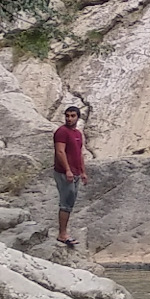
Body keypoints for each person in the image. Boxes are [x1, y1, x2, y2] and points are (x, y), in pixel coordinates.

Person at [53, 105, 88, 247]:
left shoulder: (78, 134)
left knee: (70, 202)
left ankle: (64, 232)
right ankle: (62, 234)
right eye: (67, 115)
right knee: (66, 202)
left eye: (72, 116)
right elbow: (60, 151)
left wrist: (83, 172)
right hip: (64, 172)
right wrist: (67, 170)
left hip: (75, 172)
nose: (69, 118)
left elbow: (79, 154)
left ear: (78, 117)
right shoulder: (61, 132)